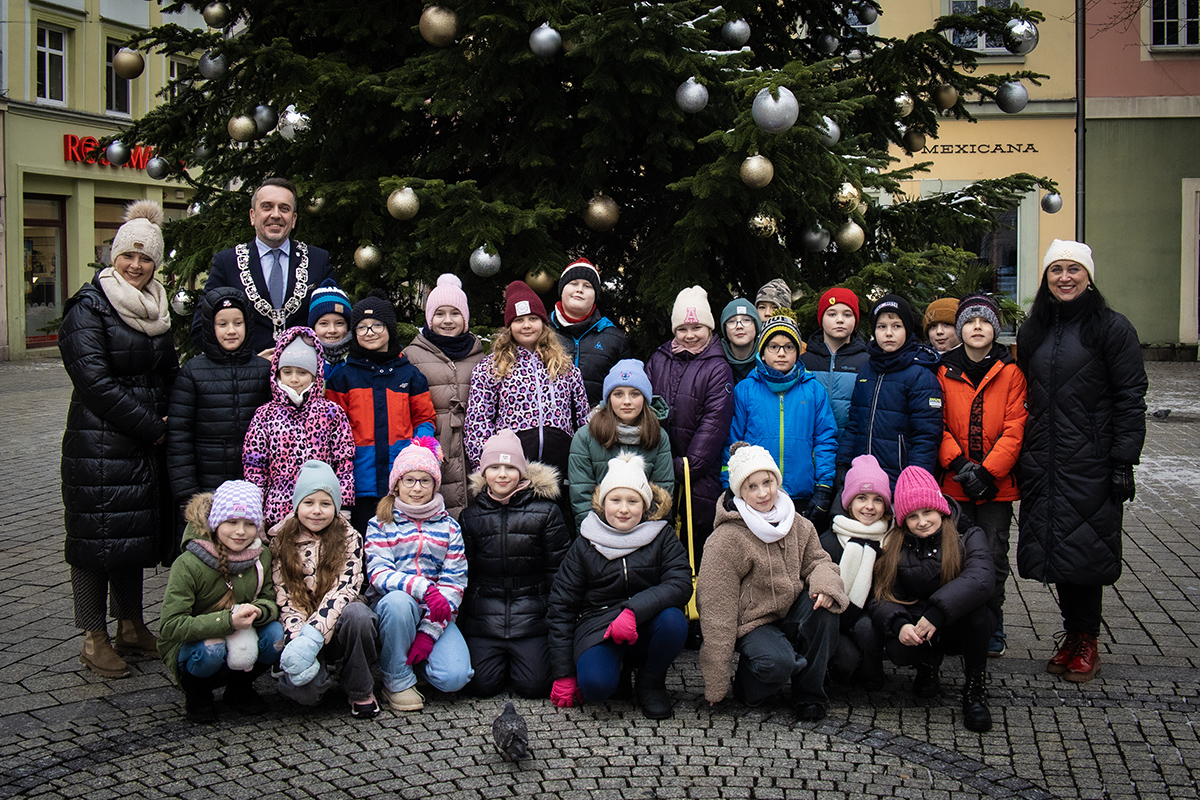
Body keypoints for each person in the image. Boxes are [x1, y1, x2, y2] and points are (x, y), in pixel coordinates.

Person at [1016, 239, 1147, 684]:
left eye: (1074, 270)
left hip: (1090, 460)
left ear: (1089, 277)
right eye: (1057, 270)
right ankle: (1071, 636)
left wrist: (1123, 460)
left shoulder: (1111, 328)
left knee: (1087, 550)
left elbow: (1131, 397)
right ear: (1046, 278)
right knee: (1060, 548)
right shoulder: (1036, 329)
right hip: (1044, 458)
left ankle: (1086, 639)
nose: (1065, 278)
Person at [59, 199, 178, 679]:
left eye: (146, 258)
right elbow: (94, 383)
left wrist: (175, 412)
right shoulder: (89, 306)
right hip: (99, 443)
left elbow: (167, 372)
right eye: (128, 255)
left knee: (132, 536)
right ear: (114, 256)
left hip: (141, 445)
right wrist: (154, 427)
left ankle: (131, 624)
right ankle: (93, 636)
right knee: (94, 541)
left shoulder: (157, 308)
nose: (135, 265)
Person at [698, 444, 847, 721]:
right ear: (740, 491)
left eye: (767, 482)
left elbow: (819, 562)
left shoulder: (798, 524)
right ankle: (747, 684)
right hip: (753, 622)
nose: (763, 493)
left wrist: (825, 585)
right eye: (752, 487)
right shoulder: (726, 538)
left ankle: (810, 695)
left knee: (825, 607)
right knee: (776, 664)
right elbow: (716, 607)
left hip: (791, 610)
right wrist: (716, 682)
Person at [548, 454, 692, 719]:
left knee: (674, 620)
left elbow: (681, 583)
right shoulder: (584, 543)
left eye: (633, 501)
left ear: (645, 505)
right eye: (616, 500)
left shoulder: (662, 537)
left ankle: (651, 681)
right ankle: (619, 670)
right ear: (603, 503)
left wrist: (633, 611)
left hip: (646, 622)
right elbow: (561, 607)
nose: (623, 509)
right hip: (598, 626)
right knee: (596, 687)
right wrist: (564, 673)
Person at [870, 466, 996, 733]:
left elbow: (982, 578)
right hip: (918, 623)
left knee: (978, 613)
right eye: (913, 516)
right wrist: (899, 625)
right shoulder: (895, 545)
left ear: (940, 508)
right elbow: (883, 596)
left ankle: (975, 689)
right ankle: (926, 664)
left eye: (927, 512)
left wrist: (938, 613)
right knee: (898, 647)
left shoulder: (968, 535)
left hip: (954, 622)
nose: (922, 521)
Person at [936, 293, 1027, 658]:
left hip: (996, 487)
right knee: (952, 556)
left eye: (985, 321)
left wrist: (989, 473)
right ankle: (955, 623)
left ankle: (991, 623)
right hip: (954, 483)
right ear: (961, 329)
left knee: (992, 555)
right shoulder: (942, 370)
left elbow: (1015, 426)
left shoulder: (1011, 371)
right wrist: (959, 465)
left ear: (995, 329)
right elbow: (936, 423)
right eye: (970, 321)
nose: (977, 327)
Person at [464, 280, 589, 525]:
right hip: (511, 468)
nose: (526, 325)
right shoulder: (491, 368)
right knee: (518, 529)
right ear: (509, 326)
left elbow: (582, 417)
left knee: (555, 528)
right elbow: (478, 421)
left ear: (544, 323)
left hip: (559, 465)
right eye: (519, 320)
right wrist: (486, 467)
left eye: (533, 318)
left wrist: (582, 461)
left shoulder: (565, 367)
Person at [458, 431, 571, 697]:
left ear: (521, 472)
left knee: (534, 686)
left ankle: (520, 659)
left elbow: (558, 571)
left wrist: (554, 619)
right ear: (484, 472)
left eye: (510, 467)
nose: (502, 474)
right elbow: (466, 573)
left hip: (531, 616)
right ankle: (499, 660)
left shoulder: (546, 513)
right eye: (495, 467)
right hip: (486, 618)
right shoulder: (470, 516)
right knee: (481, 685)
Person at [158, 481, 283, 723]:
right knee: (211, 649)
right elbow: (170, 626)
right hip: (195, 644)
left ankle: (239, 687)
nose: (240, 531)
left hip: (241, 636)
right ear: (216, 523)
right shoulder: (188, 564)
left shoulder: (262, 556)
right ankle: (197, 692)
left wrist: (259, 611)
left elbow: (269, 598)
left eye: (249, 524)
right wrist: (227, 622)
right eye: (231, 522)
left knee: (277, 635)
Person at [366, 439, 473, 712]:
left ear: (435, 485)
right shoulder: (380, 523)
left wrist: (429, 633)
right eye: (410, 480)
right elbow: (378, 573)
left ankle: (420, 661)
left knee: (455, 678)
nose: (417, 488)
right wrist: (423, 588)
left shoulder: (449, 527)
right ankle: (396, 678)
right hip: (395, 610)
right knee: (399, 603)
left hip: (435, 613)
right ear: (397, 484)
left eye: (425, 481)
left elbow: (454, 582)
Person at [271, 461, 380, 719]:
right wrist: (300, 642)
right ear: (297, 505)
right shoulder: (280, 540)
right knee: (306, 695)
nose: (317, 511)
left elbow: (344, 589)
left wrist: (313, 636)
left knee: (359, 615)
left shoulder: (350, 537)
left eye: (325, 504)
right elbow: (286, 599)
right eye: (309, 503)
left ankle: (359, 687)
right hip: (301, 624)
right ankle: (305, 670)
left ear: (336, 506)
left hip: (337, 619)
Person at [326, 291, 438, 533]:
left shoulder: (408, 374)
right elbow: (333, 428)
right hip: (359, 481)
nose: (370, 332)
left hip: (402, 479)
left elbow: (424, 418)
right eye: (362, 327)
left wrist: (417, 448)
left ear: (389, 328)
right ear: (354, 333)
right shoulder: (343, 377)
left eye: (377, 325)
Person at [646, 286, 735, 566]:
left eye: (697, 327)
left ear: (708, 327)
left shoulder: (718, 367)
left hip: (696, 478)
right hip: (658, 474)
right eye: (683, 328)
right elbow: (644, 409)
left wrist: (681, 465)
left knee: (694, 548)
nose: (690, 335)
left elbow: (714, 424)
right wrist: (654, 461)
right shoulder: (659, 359)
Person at [195, 177, 336, 354]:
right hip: (245, 377)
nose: (275, 215)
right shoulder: (227, 262)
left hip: (303, 376)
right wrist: (248, 362)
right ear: (253, 216)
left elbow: (335, 324)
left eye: (284, 208)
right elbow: (201, 328)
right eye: (267, 207)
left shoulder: (318, 260)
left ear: (293, 219)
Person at [724, 316, 839, 524]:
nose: (781, 353)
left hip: (801, 494)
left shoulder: (813, 391)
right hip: (756, 494)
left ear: (797, 351)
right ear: (762, 351)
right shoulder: (746, 390)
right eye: (773, 346)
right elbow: (733, 441)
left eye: (788, 347)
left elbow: (825, 440)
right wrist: (729, 484)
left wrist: (824, 486)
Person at [167, 287, 272, 516]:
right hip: (207, 485)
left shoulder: (264, 371)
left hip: (253, 484)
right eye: (222, 324)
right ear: (210, 327)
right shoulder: (193, 372)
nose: (231, 331)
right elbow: (179, 436)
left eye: (238, 323)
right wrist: (188, 494)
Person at [242, 327, 356, 530]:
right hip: (278, 510)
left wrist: (343, 503)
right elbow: (254, 466)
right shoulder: (265, 414)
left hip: (320, 511)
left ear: (314, 375)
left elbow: (344, 460)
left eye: (302, 372)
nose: (294, 379)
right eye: (287, 372)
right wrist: (254, 508)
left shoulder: (331, 412)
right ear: (278, 373)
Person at [837, 294, 943, 489]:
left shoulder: (920, 375)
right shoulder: (866, 371)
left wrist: (915, 480)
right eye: (881, 326)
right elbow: (854, 424)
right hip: (863, 477)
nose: (888, 333)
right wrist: (843, 464)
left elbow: (926, 437)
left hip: (899, 479)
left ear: (907, 329)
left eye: (896, 326)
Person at [403, 274, 486, 518]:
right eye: (439, 314)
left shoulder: (480, 357)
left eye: (455, 313)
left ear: (465, 318)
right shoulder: (411, 356)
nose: (447, 321)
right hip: (432, 449)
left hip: (472, 452)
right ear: (429, 318)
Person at [568, 359, 674, 532]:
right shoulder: (586, 436)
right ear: (608, 398)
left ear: (645, 398)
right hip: (598, 531)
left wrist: (644, 535)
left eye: (635, 394)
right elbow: (581, 495)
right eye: (618, 394)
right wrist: (593, 534)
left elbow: (661, 491)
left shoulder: (659, 437)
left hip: (644, 530)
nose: (627, 401)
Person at [819, 454, 892, 689]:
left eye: (877, 500)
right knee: (845, 664)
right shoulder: (829, 542)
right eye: (861, 498)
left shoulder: (890, 543)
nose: (869, 507)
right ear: (849, 503)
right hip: (833, 621)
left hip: (867, 618)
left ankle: (872, 670)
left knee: (867, 629)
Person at [548, 257, 632, 406]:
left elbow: (626, 388)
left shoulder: (614, 338)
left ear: (595, 296)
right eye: (573, 283)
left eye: (587, 286)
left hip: (597, 425)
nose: (579, 289)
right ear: (561, 291)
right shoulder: (541, 332)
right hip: (550, 425)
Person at [801, 287, 869, 439]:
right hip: (811, 443)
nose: (840, 320)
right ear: (821, 319)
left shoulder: (866, 362)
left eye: (847, 314)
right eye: (832, 314)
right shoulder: (805, 361)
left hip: (852, 444)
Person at [308, 279, 353, 382]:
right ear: (313, 326)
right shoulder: (305, 357)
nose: (332, 330)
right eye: (324, 324)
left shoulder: (357, 358)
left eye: (339, 323)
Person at [719, 297, 762, 382]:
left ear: (756, 325)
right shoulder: (715, 360)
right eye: (731, 321)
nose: (739, 326)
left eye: (746, 320)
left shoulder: (769, 359)